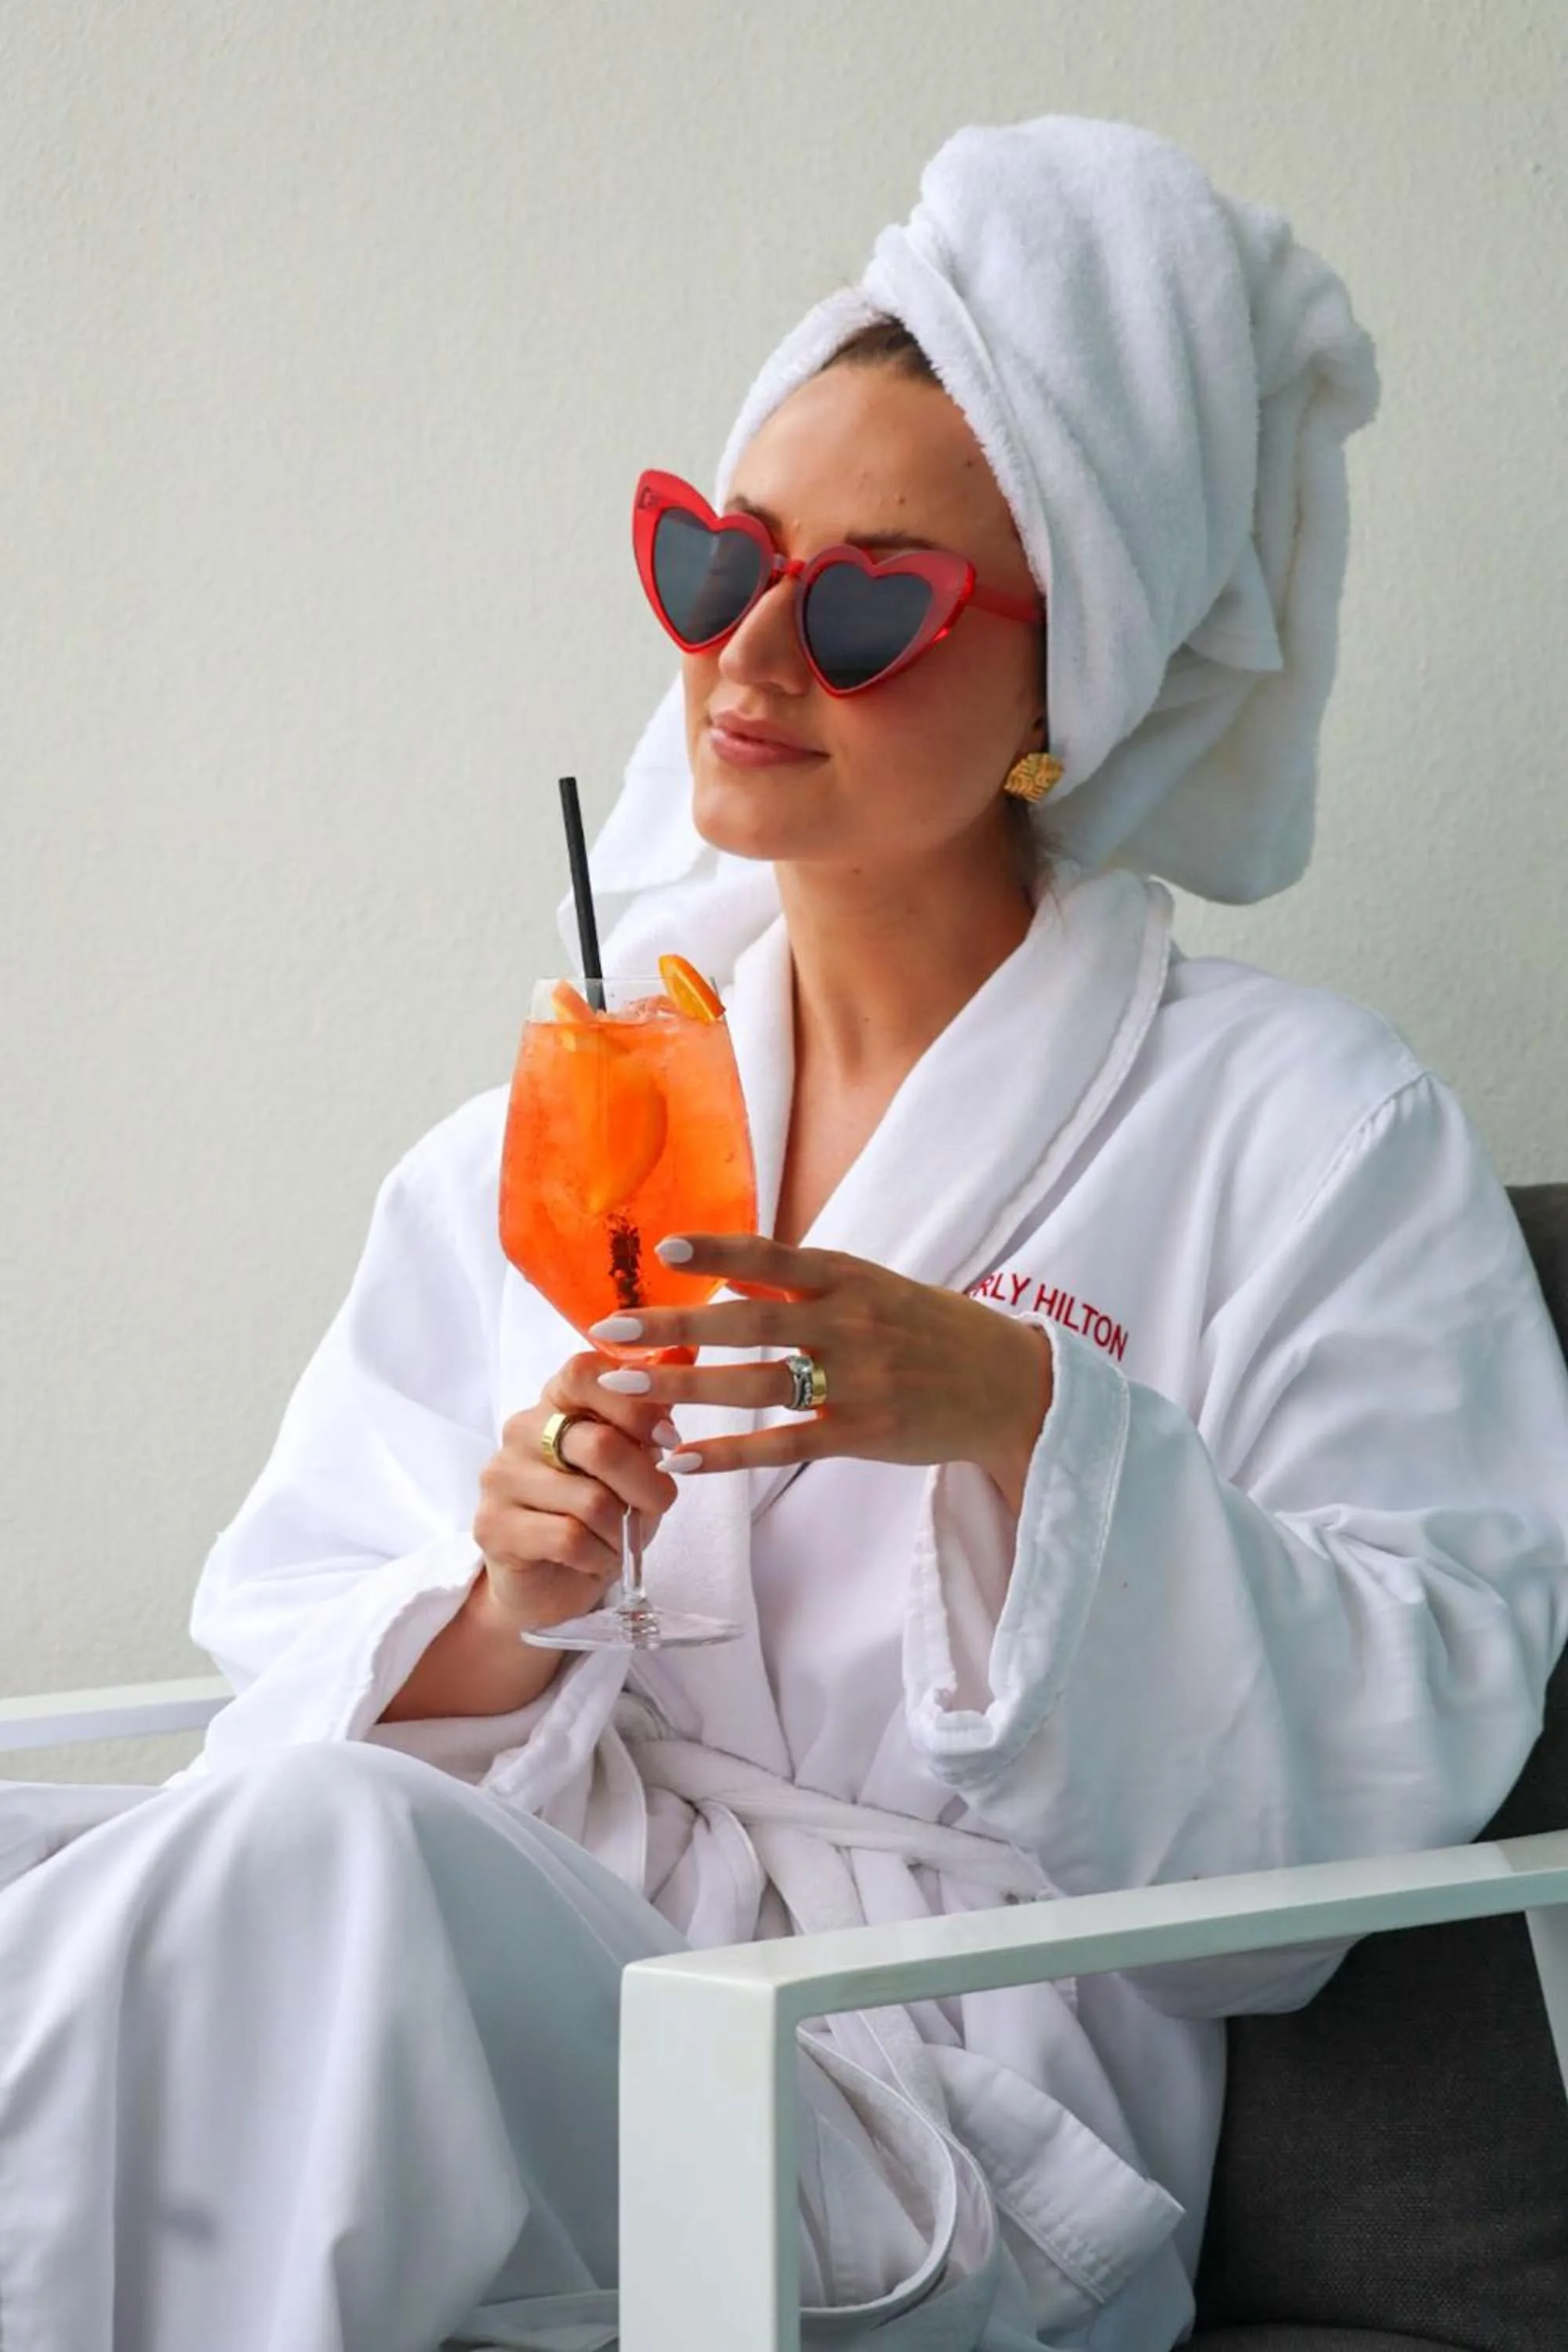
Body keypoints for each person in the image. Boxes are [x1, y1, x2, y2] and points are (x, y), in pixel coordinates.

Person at [2, 114, 1566, 2352]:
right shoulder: (553, 1124)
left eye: (862, 605)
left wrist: (1028, 1420)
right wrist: (510, 1602)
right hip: (530, 1978)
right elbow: (302, 1657)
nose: (750, 657)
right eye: (717, 562)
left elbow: (1397, 1743)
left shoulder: (1307, 1133)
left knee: (319, 1878)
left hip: (913, 2096)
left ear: (1066, 690)